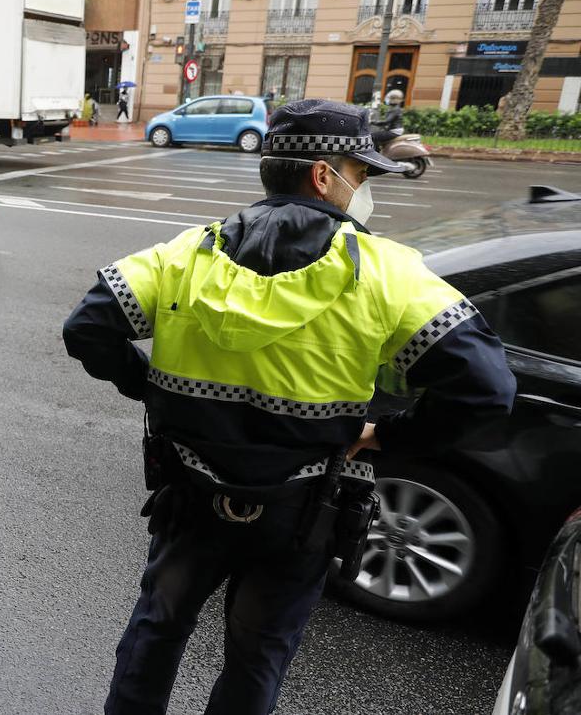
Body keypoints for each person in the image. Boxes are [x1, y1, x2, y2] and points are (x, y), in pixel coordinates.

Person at [62, 99, 515, 715]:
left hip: (190, 498)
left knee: (156, 631)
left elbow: (88, 326)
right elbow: (487, 389)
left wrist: (147, 386)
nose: (365, 190)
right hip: (304, 512)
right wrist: (387, 436)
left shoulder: (186, 255)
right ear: (324, 176)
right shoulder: (387, 274)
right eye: (361, 174)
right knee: (257, 658)